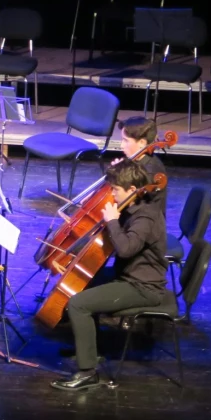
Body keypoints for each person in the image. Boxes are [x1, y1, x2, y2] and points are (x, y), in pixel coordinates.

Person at [53, 161, 168, 391]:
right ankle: (91, 351)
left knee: (78, 304)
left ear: (133, 190)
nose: (112, 194)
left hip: (142, 287)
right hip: (128, 276)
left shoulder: (145, 218)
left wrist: (113, 221)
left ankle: (87, 373)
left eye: (115, 189)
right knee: (83, 285)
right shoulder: (134, 206)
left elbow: (125, 248)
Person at [115, 115, 168, 216]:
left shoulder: (150, 171)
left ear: (142, 143)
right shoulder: (136, 161)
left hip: (143, 226)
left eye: (125, 140)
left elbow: (132, 207)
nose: (121, 145)